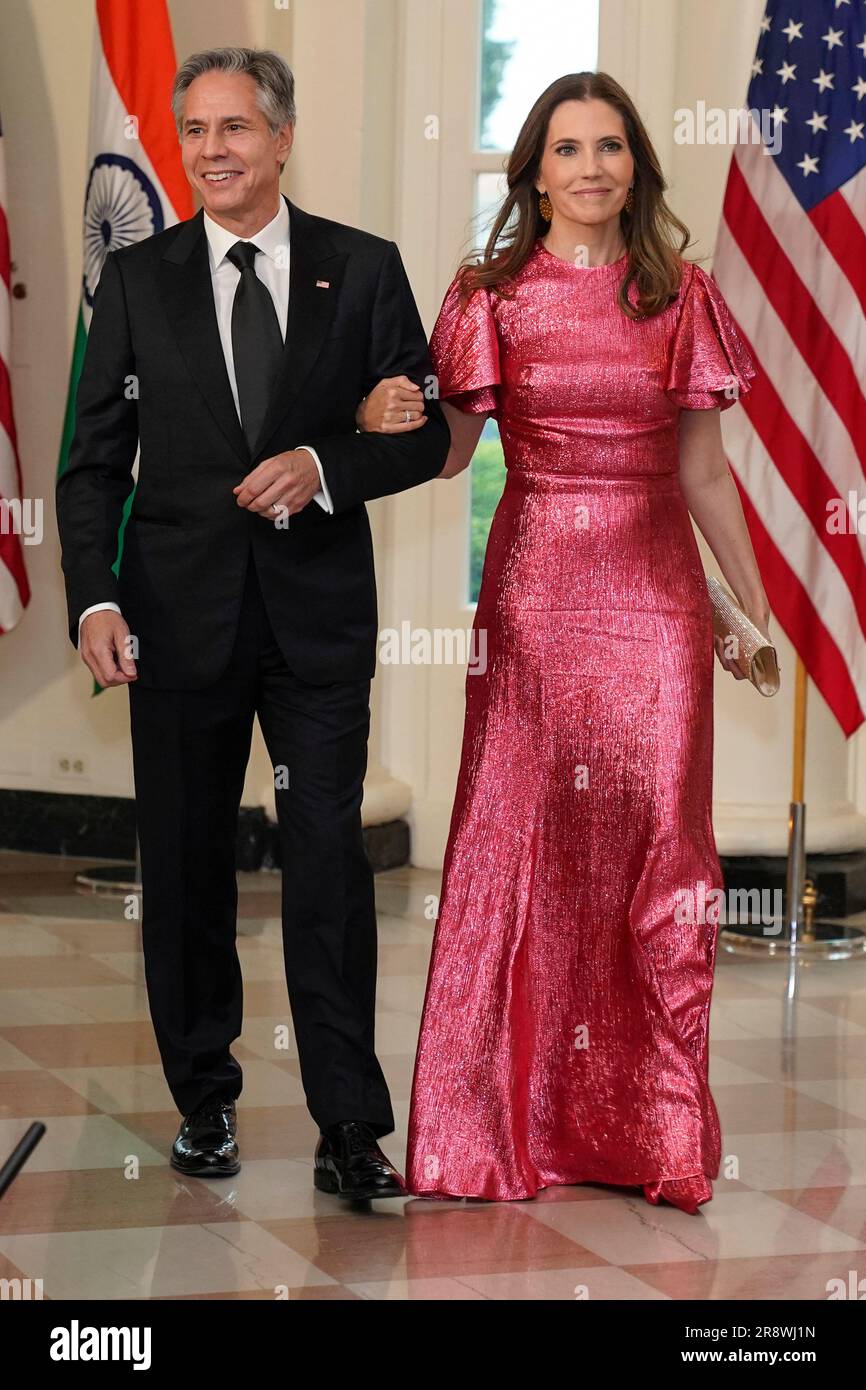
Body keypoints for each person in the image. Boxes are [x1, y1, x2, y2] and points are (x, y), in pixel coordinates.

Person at [357, 71, 772, 1211]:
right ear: (532, 170)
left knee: (655, 851)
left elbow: (701, 471)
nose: (590, 167)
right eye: (567, 148)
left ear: (634, 164)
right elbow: (447, 453)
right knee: (520, 851)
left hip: (656, 603)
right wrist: (381, 417)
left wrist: (752, 606)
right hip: (534, 601)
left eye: (609, 147)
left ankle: (650, 1131)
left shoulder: (679, 293)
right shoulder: (488, 294)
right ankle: (498, 1125)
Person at [56, 47, 449, 1200]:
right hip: (174, 623)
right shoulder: (136, 281)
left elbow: (423, 434)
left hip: (317, 625)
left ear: (281, 138)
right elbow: (91, 467)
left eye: (235, 127)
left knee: (327, 859)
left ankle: (348, 1126)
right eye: (194, 130)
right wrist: (95, 594)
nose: (213, 149)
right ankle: (206, 1103)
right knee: (184, 869)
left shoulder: (361, 269)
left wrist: (326, 462)